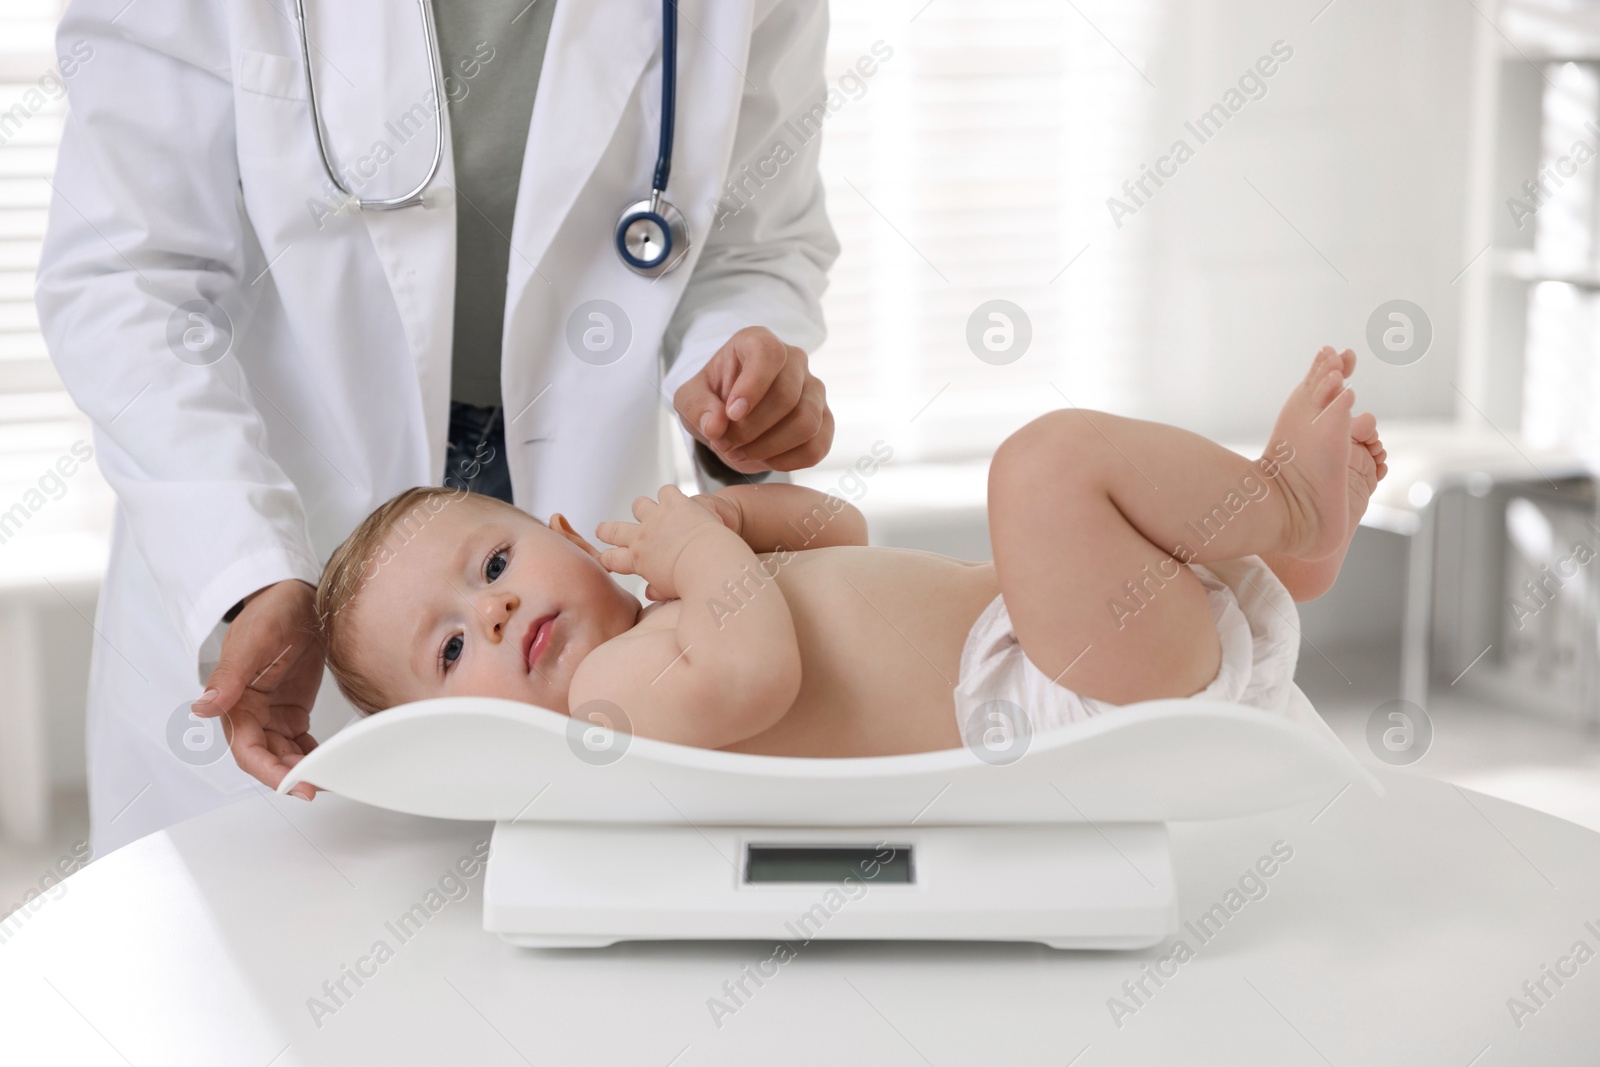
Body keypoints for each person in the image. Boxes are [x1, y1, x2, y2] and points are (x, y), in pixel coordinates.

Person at [35, 0, 841, 855]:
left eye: (493, 578)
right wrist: (242, 566)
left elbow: (751, 242)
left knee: (573, 933)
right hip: (278, 508)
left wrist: (733, 381)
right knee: (269, 944)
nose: (493, 612)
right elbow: (125, 276)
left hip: (579, 505)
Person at [310, 348, 1387, 756]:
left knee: (1065, 502)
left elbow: (844, 540)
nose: (491, 614)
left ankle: (1275, 557)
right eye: (451, 650)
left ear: (564, 539)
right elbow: (757, 671)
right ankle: (1284, 505)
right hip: (1054, 693)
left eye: (492, 567)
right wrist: (703, 555)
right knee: (1044, 467)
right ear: (457, 732)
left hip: (1054, 640)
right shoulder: (612, 700)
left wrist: (730, 523)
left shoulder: (671, 608)